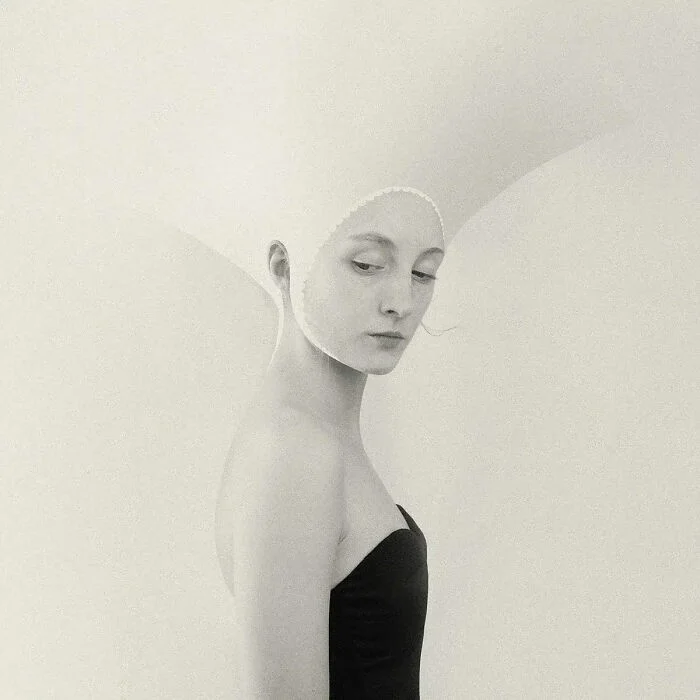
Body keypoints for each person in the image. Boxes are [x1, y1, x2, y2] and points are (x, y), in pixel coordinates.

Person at [215, 187, 445, 698]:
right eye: (368, 265)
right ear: (284, 267)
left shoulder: (314, 435)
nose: (402, 303)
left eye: (423, 272)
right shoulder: (294, 452)